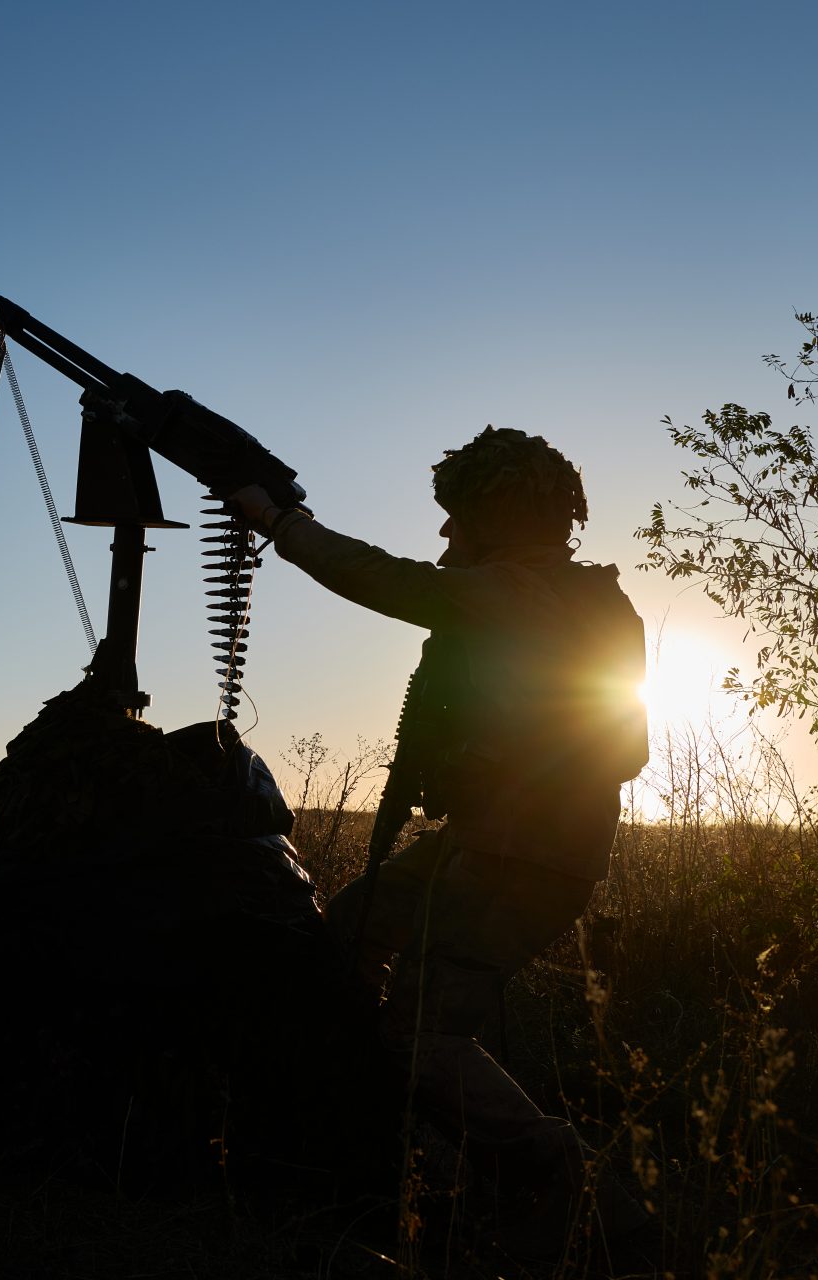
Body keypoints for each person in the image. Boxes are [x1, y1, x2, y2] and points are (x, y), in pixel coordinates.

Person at [226, 426, 650, 1249]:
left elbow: (381, 579)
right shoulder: (579, 597)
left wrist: (278, 523)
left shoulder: (529, 593)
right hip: (490, 843)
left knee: (424, 1035)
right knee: (346, 937)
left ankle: (590, 1211)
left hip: (520, 856)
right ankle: (367, 1143)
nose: (449, 535)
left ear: (504, 516)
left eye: (462, 518)